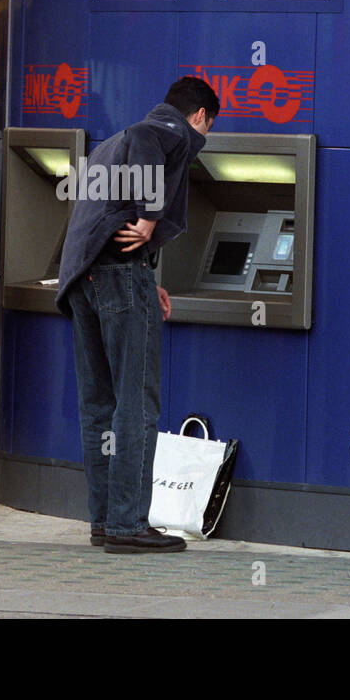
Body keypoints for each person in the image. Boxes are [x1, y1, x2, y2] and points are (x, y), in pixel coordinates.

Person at [56, 76, 218, 553]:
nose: (203, 138)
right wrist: (150, 216)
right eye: (206, 126)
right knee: (136, 402)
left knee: (99, 405)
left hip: (83, 277)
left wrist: (149, 276)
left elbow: (99, 216)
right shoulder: (163, 129)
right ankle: (129, 526)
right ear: (198, 117)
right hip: (118, 276)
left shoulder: (108, 145)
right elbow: (152, 142)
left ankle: (105, 521)